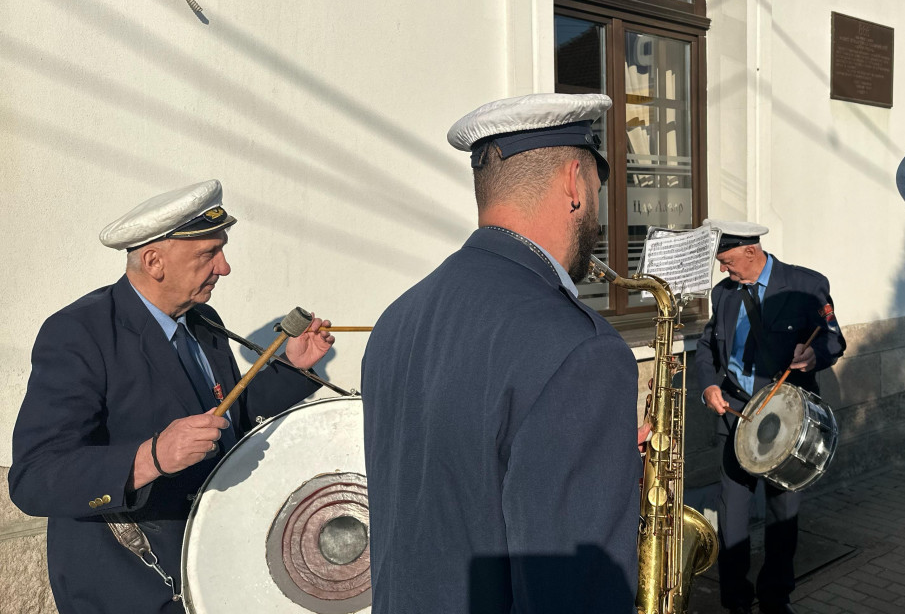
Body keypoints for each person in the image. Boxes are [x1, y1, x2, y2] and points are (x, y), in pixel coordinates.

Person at [362, 93, 642, 614]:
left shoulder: (397, 319)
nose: (599, 217)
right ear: (574, 184)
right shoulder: (581, 348)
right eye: (599, 192)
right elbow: (574, 594)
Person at [9, 179, 333, 614]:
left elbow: (226, 418)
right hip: (128, 587)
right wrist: (152, 457)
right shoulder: (80, 333)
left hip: (208, 572)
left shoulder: (203, 320)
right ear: (154, 261)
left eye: (221, 250)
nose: (224, 268)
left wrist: (294, 368)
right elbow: (34, 479)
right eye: (208, 254)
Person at [694, 220, 846, 614]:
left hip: (785, 422)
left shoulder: (805, 285)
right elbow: (708, 345)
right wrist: (709, 385)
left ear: (750, 251)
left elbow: (833, 338)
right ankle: (736, 601)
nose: (724, 270)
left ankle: (776, 598)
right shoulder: (723, 294)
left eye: (728, 262)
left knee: (783, 514)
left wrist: (815, 355)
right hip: (737, 416)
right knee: (732, 514)